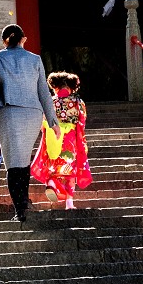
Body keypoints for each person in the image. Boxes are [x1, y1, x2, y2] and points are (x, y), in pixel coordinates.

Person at [0, 23, 61, 223]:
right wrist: (52, 121)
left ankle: (20, 209)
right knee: (23, 159)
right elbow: (43, 91)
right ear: (22, 39)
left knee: (13, 162)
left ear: (5, 40)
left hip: (9, 110)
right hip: (33, 113)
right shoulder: (35, 59)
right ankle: (23, 202)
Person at [31, 71, 93, 210]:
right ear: (70, 87)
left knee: (53, 165)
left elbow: (43, 122)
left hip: (53, 136)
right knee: (69, 169)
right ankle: (69, 202)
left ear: (56, 87)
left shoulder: (50, 102)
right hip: (70, 139)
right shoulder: (77, 102)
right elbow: (82, 121)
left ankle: (52, 183)